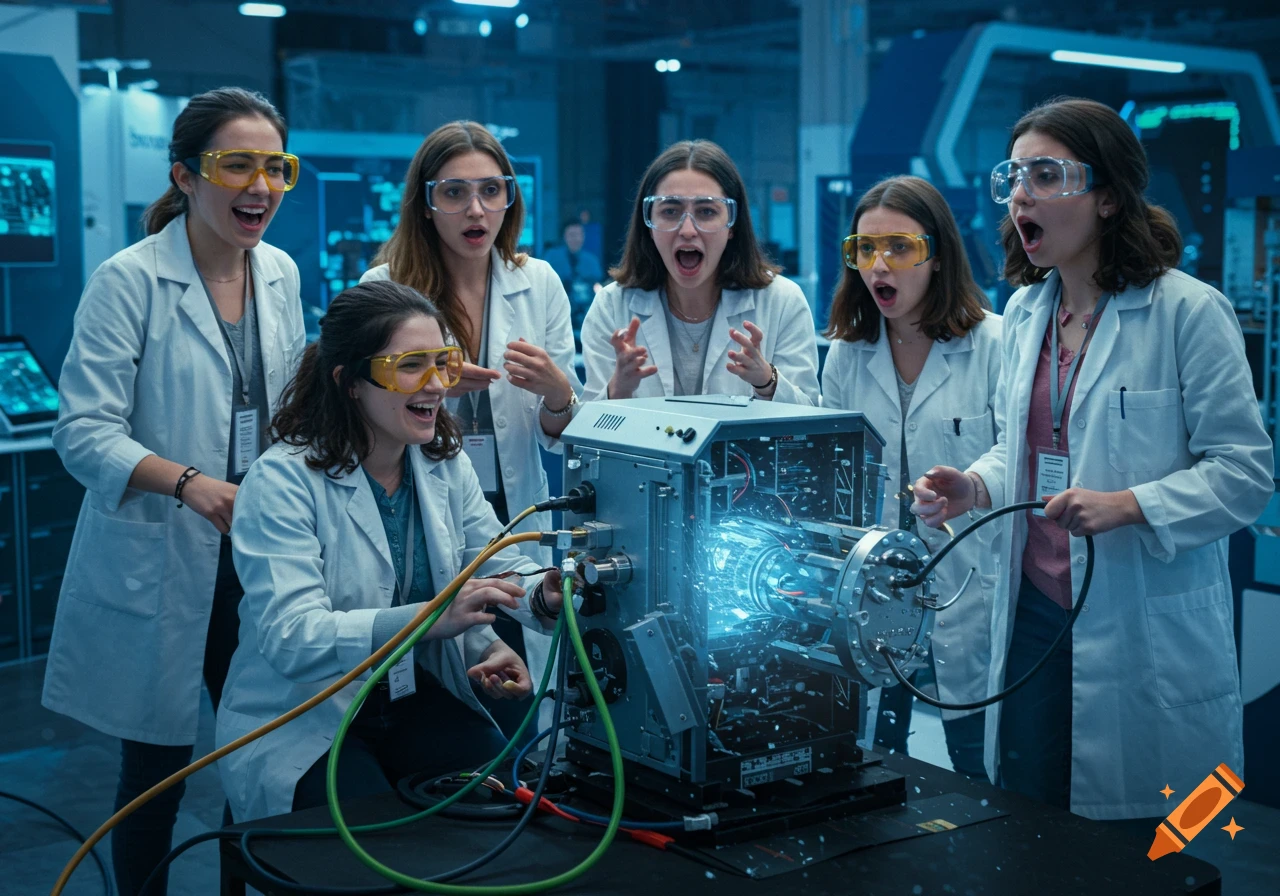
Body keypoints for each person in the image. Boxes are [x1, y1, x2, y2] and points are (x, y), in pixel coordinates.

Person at [911, 97, 1272, 819]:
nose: (1021, 195)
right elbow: (1024, 445)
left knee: (1140, 844)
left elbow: (1244, 473)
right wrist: (975, 486)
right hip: (1032, 614)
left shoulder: (1186, 312)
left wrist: (1130, 505)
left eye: (1046, 175)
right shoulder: (1026, 313)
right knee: (1029, 819)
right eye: (1014, 177)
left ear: (1108, 197)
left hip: (1137, 614)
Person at [41, 87, 305, 894]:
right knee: (155, 775)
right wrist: (190, 484)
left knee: (259, 758)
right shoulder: (129, 281)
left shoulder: (280, 273)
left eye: (276, 167)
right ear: (186, 176)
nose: (260, 186)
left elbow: (286, 409)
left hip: (256, 556)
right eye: (237, 165)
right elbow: (82, 430)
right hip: (164, 555)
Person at [216, 280, 566, 822]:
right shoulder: (281, 482)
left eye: (443, 363)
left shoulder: (442, 464)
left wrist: (540, 596)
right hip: (306, 715)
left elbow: (495, 560)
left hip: (407, 696)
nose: (437, 385)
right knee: (375, 838)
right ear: (350, 382)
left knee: (502, 810)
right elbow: (293, 638)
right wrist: (432, 618)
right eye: (411, 366)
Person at [360, 121, 579, 737]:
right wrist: (423, 386)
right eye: (454, 193)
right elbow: (360, 407)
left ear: (510, 197)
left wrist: (557, 392)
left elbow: (558, 431)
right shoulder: (384, 289)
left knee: (517, 682)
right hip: (422, 507)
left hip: (514, 511)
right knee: (429, 687)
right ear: (426, 204)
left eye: (490, 190)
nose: (475, 209)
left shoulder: (538, 282)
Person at [822, 175, 1001, 779]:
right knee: (874, 765)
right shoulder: (848, 353)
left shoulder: (994, 344)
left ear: (938, 255)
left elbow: (1017, 459)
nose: (880, 265)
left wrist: (971, 484)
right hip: (874, 591)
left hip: (969, 586)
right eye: (866, 249)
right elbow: (835, 471)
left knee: (979, 768)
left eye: (899, 247)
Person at [580, 140, 819, 405]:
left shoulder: (782, 302)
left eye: (706, 212)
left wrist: (767, 382)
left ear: (732, 225)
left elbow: (811, 420)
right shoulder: (612, 306)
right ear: (649, 224)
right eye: (670, 211)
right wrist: (618, 390)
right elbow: (587, 426)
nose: (687, 230)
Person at [543, 217, 605, 350]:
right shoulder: (552, 258)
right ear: (564, 237)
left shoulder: (592, 261)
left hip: (586, 318)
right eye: (571, 235)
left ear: (583, 236)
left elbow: (598, 287)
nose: (575, 239)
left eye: (578, 235)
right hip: (558, 318)